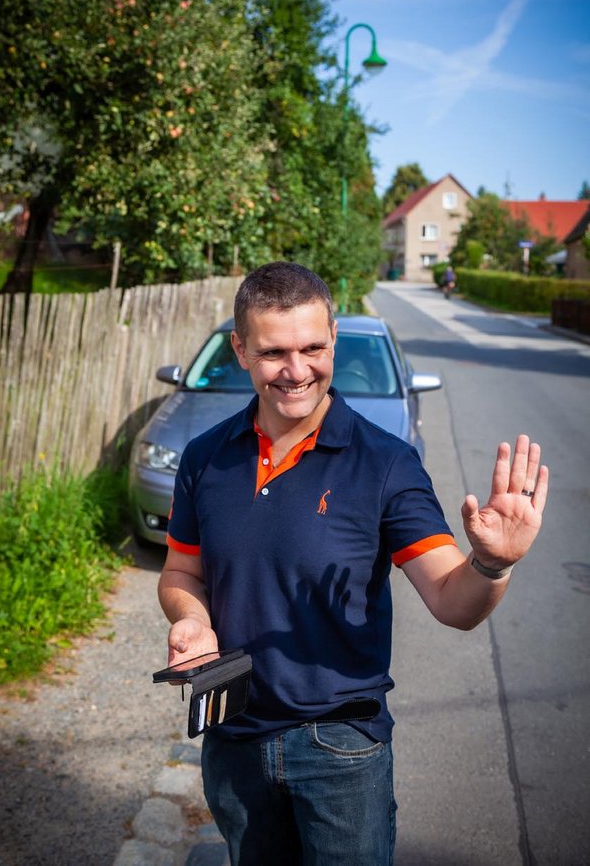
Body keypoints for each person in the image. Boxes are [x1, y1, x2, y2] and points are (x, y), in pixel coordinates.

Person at [158, 261, 548, 866]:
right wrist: (193, 620)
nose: (296, 371)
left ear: (333, 338)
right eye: (273, 353)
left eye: (313, 347)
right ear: (240, 349)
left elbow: (452, 600)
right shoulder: (205, 458)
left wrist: (491, 564)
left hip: (338, 745)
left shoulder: (385, 464)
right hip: (230, 732)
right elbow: (182, 574)